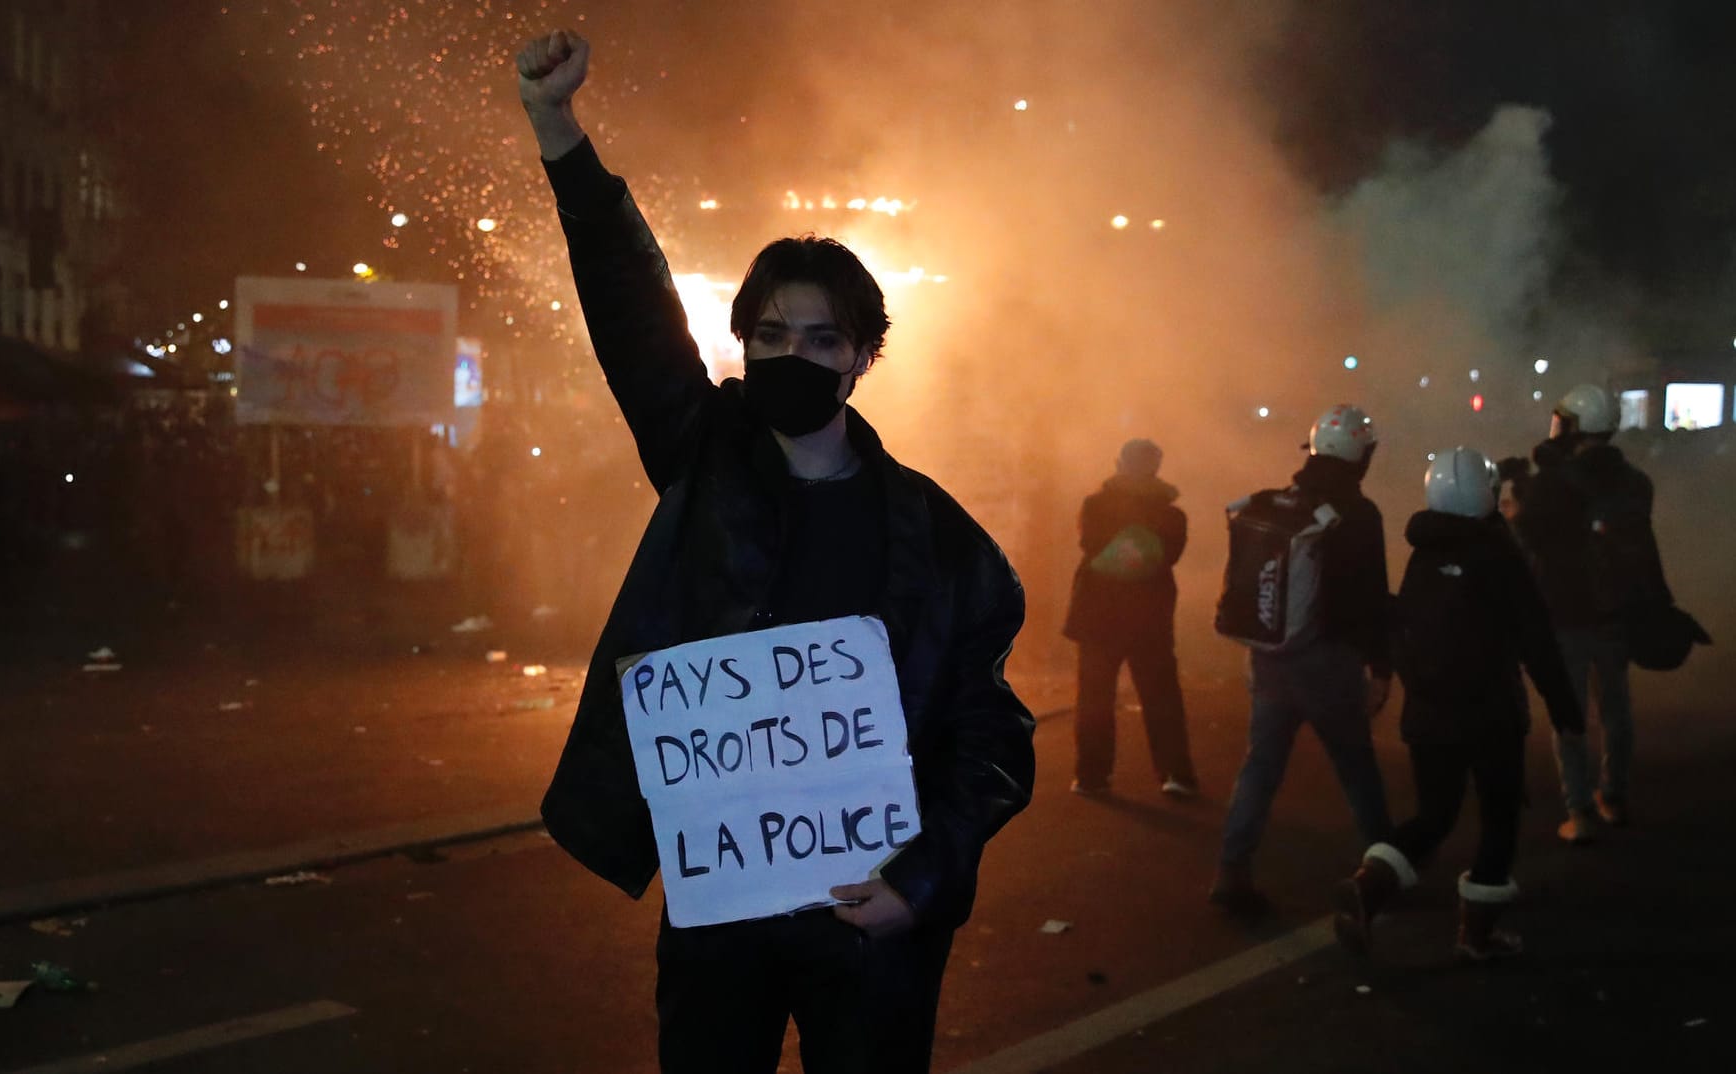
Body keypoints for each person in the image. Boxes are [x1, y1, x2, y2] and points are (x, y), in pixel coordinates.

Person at [516, 31, 1035, 1073]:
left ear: (864, 358)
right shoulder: (703, 456)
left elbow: (989, 734)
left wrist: (921, 879)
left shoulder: (941, 539)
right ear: (740, 344)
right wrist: (557, 128)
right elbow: (629, 307)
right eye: (770, 335)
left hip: (871, 920)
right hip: (722, 910)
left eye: (822, 339)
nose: (792, 356)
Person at [1332, 448, 1584, 962]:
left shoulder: (1423, 554)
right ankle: (1477, 934)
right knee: (1498, 818)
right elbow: (1536, 640)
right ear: (1488, 495)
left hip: (1429, 715)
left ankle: (1370, 885)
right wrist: (1564, 709)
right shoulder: (1501, 555)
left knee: (1434, 815)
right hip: (1490, 714)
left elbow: (1405, 630)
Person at [1211, 404, 1395, 916]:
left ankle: (1231, 871)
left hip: (1269, 658)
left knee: (1261, 766)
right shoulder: (1358, 516)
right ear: (1362, 456)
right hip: (1329, 664)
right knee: (1357, 767)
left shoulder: (1278, 503)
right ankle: (1383, 872)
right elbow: (1371, 601)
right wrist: (1381, 668)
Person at [1510, 383, 1666, 843]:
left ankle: (1578, 810)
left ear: (1571, 424)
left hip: (1565, 614)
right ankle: (1613, 796)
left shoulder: (1552, 483)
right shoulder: (1637, 483)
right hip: (1617, 612)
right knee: (1617, 711)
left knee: (1570, 715)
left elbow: (1524, 539)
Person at [1061, 438, 1199, 797]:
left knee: (1095, 699)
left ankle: (1091, 775)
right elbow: (1170, 555)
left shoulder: (1094, 506)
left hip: (1097, 615)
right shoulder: (1172, 515)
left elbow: (1089, 546)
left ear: (1118, 463)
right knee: (1161, 697)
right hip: (1149, 617)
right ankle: (1175, 774)